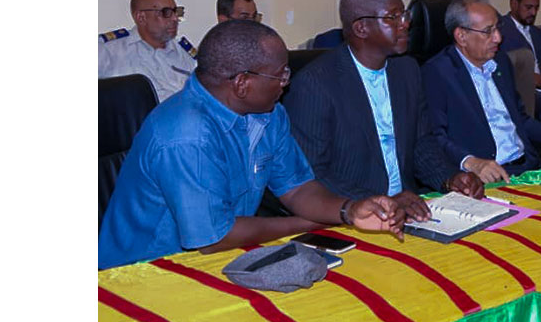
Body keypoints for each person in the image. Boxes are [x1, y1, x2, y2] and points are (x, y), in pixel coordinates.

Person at [98, 20, 405, 270]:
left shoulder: (269, 113)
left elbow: (297, 188)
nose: (287, 81)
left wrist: (349, 209)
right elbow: (215, 238)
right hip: (141, 275)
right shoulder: (186, 135)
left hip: (218, 258)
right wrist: (309, 223)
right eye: (280, 74)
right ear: (242, 83)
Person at [283, 0, 484, 223]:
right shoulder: (315, 84)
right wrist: (379, 201)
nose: (405, 23)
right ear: (361, 28)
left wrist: (449, 178)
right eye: (393, 17)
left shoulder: (407, 70)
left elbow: (421, 143)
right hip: (352, 215)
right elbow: (313, 173)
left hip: (411, 209)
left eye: (404, 14)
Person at [423, 0, 541, 183]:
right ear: (461, 36)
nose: (498, 38)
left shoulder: (500, 62)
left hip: (527, 167)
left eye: (497, 28)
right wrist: (471, 162)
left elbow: (521, 120)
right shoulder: (438, 73)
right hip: (488, 176)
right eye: (488, 31)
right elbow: (435, 137)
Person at [99, 0, 198, 102]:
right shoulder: (109, 51)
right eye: (166, 13)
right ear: (141, 17)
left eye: (176, 12)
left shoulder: (185, 55)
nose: (175, 19)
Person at [498, 0, 541, 87]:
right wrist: (527, 76)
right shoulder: (500, 31)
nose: (533, 12)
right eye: (528, 7)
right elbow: (498, 69)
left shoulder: (536, 33)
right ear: (514, 4)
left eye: (536, 8)